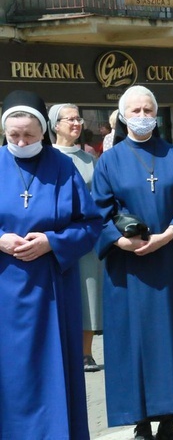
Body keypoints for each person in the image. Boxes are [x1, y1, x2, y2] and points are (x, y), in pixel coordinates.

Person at [92, 85, 173, 439]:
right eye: (136, 110)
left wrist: (169, 233)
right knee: (133, 341)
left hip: (169, 260)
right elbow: (98, 211)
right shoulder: (109, 160)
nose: (143, 116)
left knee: (169, 338)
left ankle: (169, 421)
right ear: (123, 115)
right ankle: (140, 421)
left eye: (148, 110)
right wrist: (121, 240)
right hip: (127, 267)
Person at [0, 90, 102, 439]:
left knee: (50, 368)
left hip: (52, 288)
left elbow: (89, 224)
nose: (21, 141)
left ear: (43, 131)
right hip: (4, 291)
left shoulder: (62, 166)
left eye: (28, 135)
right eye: (13, 135)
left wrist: (51, 242)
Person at [48, 103, 104, 373]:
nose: (76, 123)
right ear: (54, 125)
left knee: (88, 292)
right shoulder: (48, 157)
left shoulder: (88, 159)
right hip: (58, 236)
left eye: (78, 119)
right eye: (69, 119)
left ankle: (85, 353)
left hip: (86, 237)